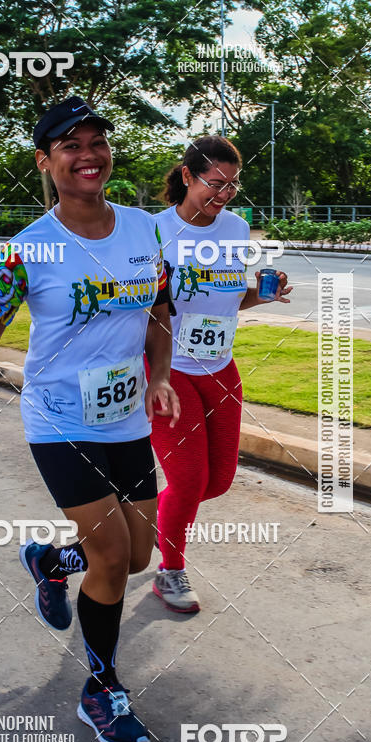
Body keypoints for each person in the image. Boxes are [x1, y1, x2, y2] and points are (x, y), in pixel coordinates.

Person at [0, 96, 179, 742]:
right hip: (58, 419)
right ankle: (101, 689)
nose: (88, 155)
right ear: (45, 161)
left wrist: (159, 375)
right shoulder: (29, 251)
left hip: (126, 418)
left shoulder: (143, 229)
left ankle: (52, 563)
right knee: (110, 556)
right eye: (70, 146)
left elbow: (160, 310)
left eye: (96, 142)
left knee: (138, 557)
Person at [148, 136, 292, 612]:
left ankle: (156, 518)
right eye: (215, 183)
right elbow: (147, 307)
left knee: (218, 481)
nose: (225, 193)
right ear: (187, 177)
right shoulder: (154, 232)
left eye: (233, 184)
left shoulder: (235, 227)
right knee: (189, 481)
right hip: (171, 370)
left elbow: (231, 297)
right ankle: (169, 571)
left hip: (221, 368)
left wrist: (262, 295)